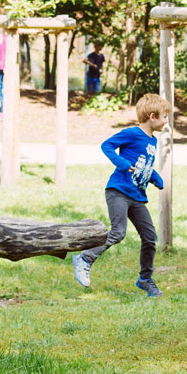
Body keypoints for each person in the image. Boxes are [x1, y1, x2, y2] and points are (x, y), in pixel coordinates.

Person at [72, 93, 169, 298]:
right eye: (164, 116)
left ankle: (145, 279)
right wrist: (122, 164)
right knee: (118, 233)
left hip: (137, 196)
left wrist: (154, 177)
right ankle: (85, 258)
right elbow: (106, 145)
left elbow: (143, 164)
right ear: (152, 116)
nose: (166, 121)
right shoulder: (132, 133)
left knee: (150, 237)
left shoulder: (153, 141)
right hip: (118, 191)